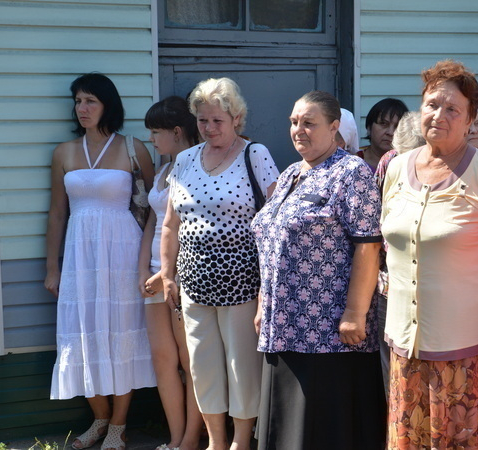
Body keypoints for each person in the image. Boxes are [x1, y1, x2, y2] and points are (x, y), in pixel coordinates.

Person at [382, 60, 478, 448]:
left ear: (471, 119)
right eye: (431, 105)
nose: (439, 115)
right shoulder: (397, 168)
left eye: (453, 109)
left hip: (468, 348)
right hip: (405, 344)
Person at [251, 90, 386, 450]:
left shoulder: (351, 172)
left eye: (309, 123)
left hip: (328, 333)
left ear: (334, 126)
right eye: (294, 122)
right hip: (283, 326)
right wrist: (264, 303)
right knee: (286, 425)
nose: (299, 129)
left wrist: (355, 313)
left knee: (324, 430)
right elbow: (271, 242)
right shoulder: (291, 173)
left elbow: (368, 245)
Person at [160, 77, 278, 450]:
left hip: (242, 282)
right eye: (202, 120)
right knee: (202, 366)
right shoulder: (184, 160)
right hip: (194, 283)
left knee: (242, 366)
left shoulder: (255, 155)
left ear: (236, 118)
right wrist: (167, 274)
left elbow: (276, 221)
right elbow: (170, 224)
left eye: (217, 121)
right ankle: (215, 440)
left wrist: (269, 284)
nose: (209, 128)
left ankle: (241, 441)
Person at [45, 73, 156, 450]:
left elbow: (155, 207)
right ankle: (99, 419)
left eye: (90, 100)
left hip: (124, 254)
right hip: (80, 256)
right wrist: (52, 267)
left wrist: (150, 263)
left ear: (108, 104)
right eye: (78, 101)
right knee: (83, 333)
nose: (82, 108)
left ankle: (118, 427)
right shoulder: (63, 152)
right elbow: (57, 213)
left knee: (121, 333)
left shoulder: (132, 148)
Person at [138, 96, 204, 450]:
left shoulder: (197, 167)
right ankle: (175, 437)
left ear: (177, 132)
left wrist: (166, 272)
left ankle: (191, 438)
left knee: (189, 360)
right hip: (153, 276)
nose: (151, 139)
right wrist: (142, 269)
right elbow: (153, 222)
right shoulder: (164, 171)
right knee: (163, 359)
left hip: (182, 276)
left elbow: (192, 228)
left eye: (156, 131)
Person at [372, 110, 425, 393]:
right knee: (393, 372)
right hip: (390, 286)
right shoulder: (390, 162)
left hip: (434, 289)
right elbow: (375, 219)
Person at [358, 98, 408, 170]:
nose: (391, 133)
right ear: (369, 127)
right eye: (384, 124)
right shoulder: (352, 162)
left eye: (397, 126)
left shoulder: (410, 164)